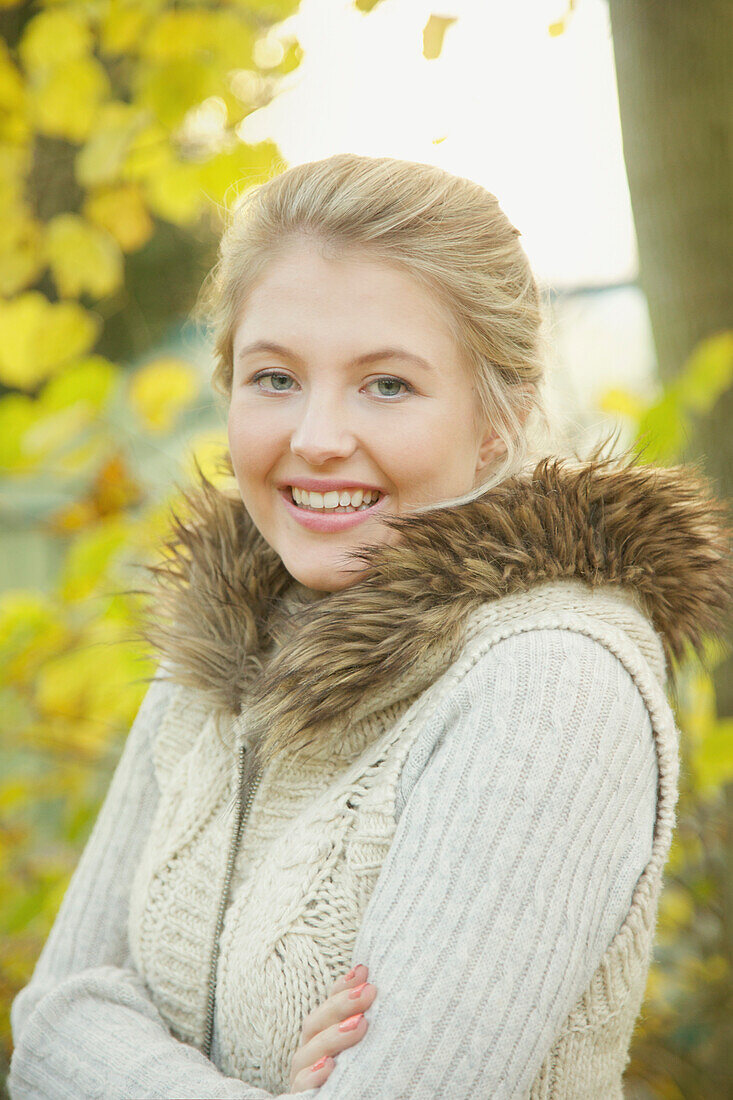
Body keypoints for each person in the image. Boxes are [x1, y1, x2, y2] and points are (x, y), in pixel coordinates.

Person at [8, 154, 732, 1100]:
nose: (314, 436)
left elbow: (73, 1045)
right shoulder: (220, 647)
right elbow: (47, 1022)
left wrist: (109, 1061)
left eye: (386, 385)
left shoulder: (547, 685)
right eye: (274, 378)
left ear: (497, 416)